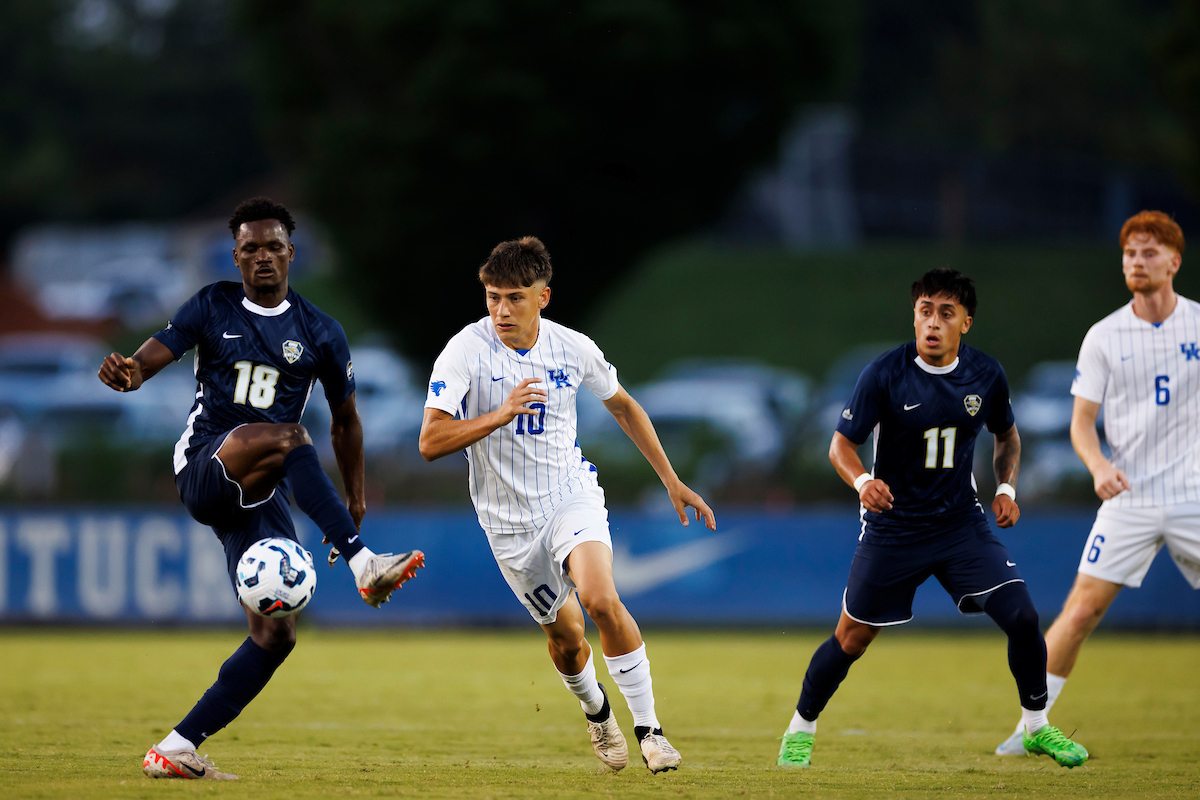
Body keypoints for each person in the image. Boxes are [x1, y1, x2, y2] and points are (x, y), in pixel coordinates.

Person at [98, 197, 424, 781]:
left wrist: (354, 495)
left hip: (263, 487)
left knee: (276, 634)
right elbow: (150, 358)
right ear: (236, 257)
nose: (263, 257)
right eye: (251, 248)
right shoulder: (212, 304)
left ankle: (174, 749)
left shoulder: (321, 331)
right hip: (206, 466)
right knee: (289, 435)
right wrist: (130, 373)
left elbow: (347, 422)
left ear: (291, 254)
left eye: (274, 246)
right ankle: (363, 565)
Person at [418, 236, 715, 774]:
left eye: (514, 297)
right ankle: (596, 710)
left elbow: (624, 407)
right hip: (507, 524)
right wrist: (498, 414)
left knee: (601, 599)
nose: (501, 310)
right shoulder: (465, 349)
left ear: (543, 297)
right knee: (567, 639)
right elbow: (430, 441)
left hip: (568, 495)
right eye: (491, 297)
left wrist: (671, 480)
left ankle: (650, 731)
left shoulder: (572, 348)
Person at [776, 269, 1088, 769]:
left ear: (966, 322)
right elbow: (841, 445)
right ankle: (800, 728)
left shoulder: (986, 374)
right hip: (894, 527)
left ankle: (1036, 728)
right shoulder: (884, 373)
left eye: (946, 313)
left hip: (960, 525)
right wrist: (862, 482)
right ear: (914, 316)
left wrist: (1006, 487)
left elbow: (1007, 436)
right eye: (925, 311)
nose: (933, 323)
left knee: (1025, 618)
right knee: (851, 639)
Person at [996, 210, 1200, 756]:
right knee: (1080, 610)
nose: (1137, 261)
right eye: (1130, 253)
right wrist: (1098, 466)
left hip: (1193, 496)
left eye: (1149, 252)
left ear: (1174, 261)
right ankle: (1030, 728)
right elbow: (1082, 423)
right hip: (1128, 495)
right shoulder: (1105, 335)